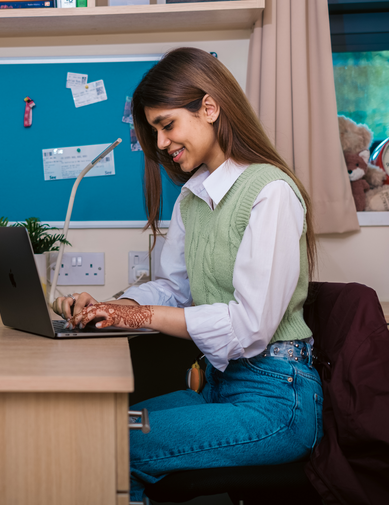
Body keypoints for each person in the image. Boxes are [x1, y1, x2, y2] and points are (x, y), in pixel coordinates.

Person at [52, 47, 323, 502]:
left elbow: (249, 327)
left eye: (166, 125)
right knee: (96, 426)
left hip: (278, 401)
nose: (159, 144)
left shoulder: (270, 192)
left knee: (111, 445)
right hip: (222, 387)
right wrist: (112, 308)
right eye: (154, 130)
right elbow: (175, 289)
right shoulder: (192, 198)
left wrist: (141, 318)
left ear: (210, 108)